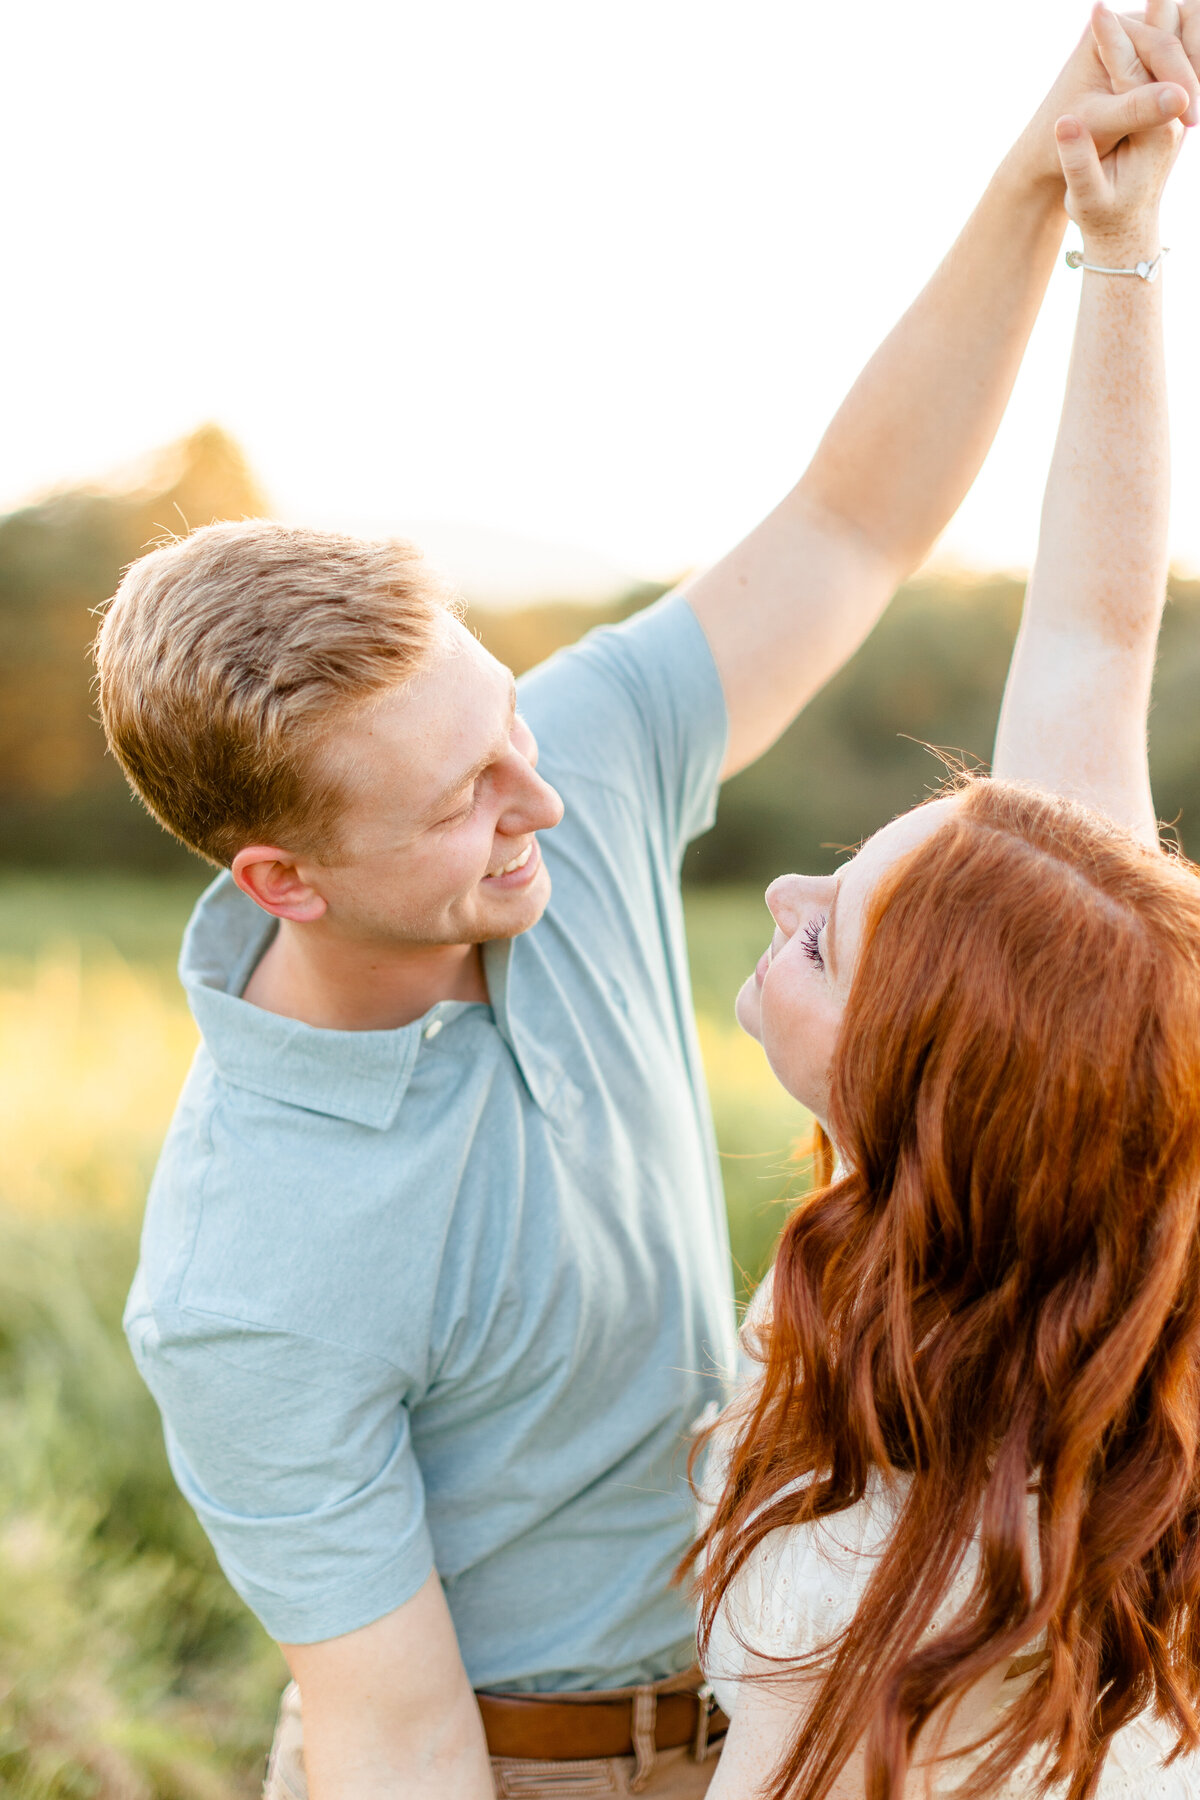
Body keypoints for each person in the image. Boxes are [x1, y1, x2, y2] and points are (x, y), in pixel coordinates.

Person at [92, 12, 1200, 1800]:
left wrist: (1040, 192)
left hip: (827, 1715)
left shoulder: (566, 776)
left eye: (511, 717)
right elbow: (392, 1734)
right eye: (467, 801)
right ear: (279, 878)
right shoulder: (247, 1272)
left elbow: (853, 528)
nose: (557, 805)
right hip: (526, 1765)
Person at [694, 11, 1200, 1797]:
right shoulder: (1052, 1158)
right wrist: (1121, 245)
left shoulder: (1008, 1582)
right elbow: (1092, 634)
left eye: (826, 925)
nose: (780, 881)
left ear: (934, 1086)